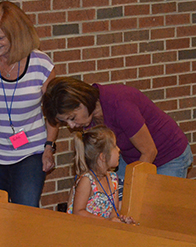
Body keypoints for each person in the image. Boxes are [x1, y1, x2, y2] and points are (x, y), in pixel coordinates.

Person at [0, 0, 57, 208]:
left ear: (16, 35)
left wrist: (49, 146)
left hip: (29, 152)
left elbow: (53, 111)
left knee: (25, 212)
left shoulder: (41, 64)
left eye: (0, 37)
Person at [42, 77, 193, 188]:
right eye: (65, 122)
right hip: (130, 156)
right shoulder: (88, 117)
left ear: (82, 102)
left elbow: (149, 151)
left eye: (72, 118)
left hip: (168, 155)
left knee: (155, 211)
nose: (72, 126)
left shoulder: (119, 105)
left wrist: (131, 188)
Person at [67, 126, 135, 224]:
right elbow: (78, 212)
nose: (119, 149)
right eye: (115, 146)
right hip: (83, 229)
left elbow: (113, 213)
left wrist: (121, 221)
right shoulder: (87, 180)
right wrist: (105, 221)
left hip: (102, 229)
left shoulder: (113, 179)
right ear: (102, 157)